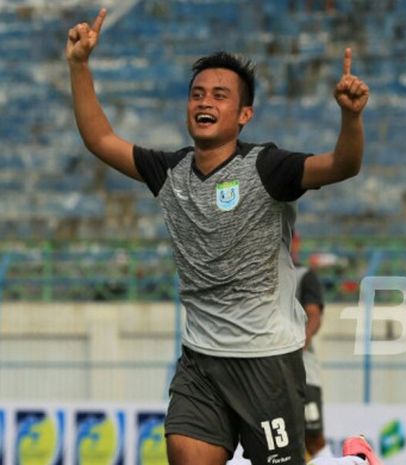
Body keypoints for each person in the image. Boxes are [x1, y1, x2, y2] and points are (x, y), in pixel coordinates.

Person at [66, 9, 369, 465]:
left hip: (267, 362)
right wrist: (79, 66)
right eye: (197, 94)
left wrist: (350, 118)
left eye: (220, 95)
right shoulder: (168, 171)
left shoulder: (268, 168)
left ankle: (353, 461)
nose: (205, 102)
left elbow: (342, 165)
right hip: (201, 362)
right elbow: (100, 139)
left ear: (244, 113)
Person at [291, 232, 330, 460]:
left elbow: (314, 316)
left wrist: (298, 345)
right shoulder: (260, 275)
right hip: (266, 367)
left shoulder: (304, 276)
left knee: (312, 435)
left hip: (302, 369)